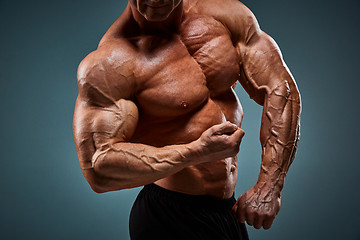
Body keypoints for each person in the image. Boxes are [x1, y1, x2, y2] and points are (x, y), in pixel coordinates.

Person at [73, 0, 301, 239]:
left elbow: (280, 89)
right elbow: (99, 166)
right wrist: (195, 152)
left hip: (226, 212)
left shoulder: (226, 17)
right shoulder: (109, 62)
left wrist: (270, 184)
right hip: (168, 216)